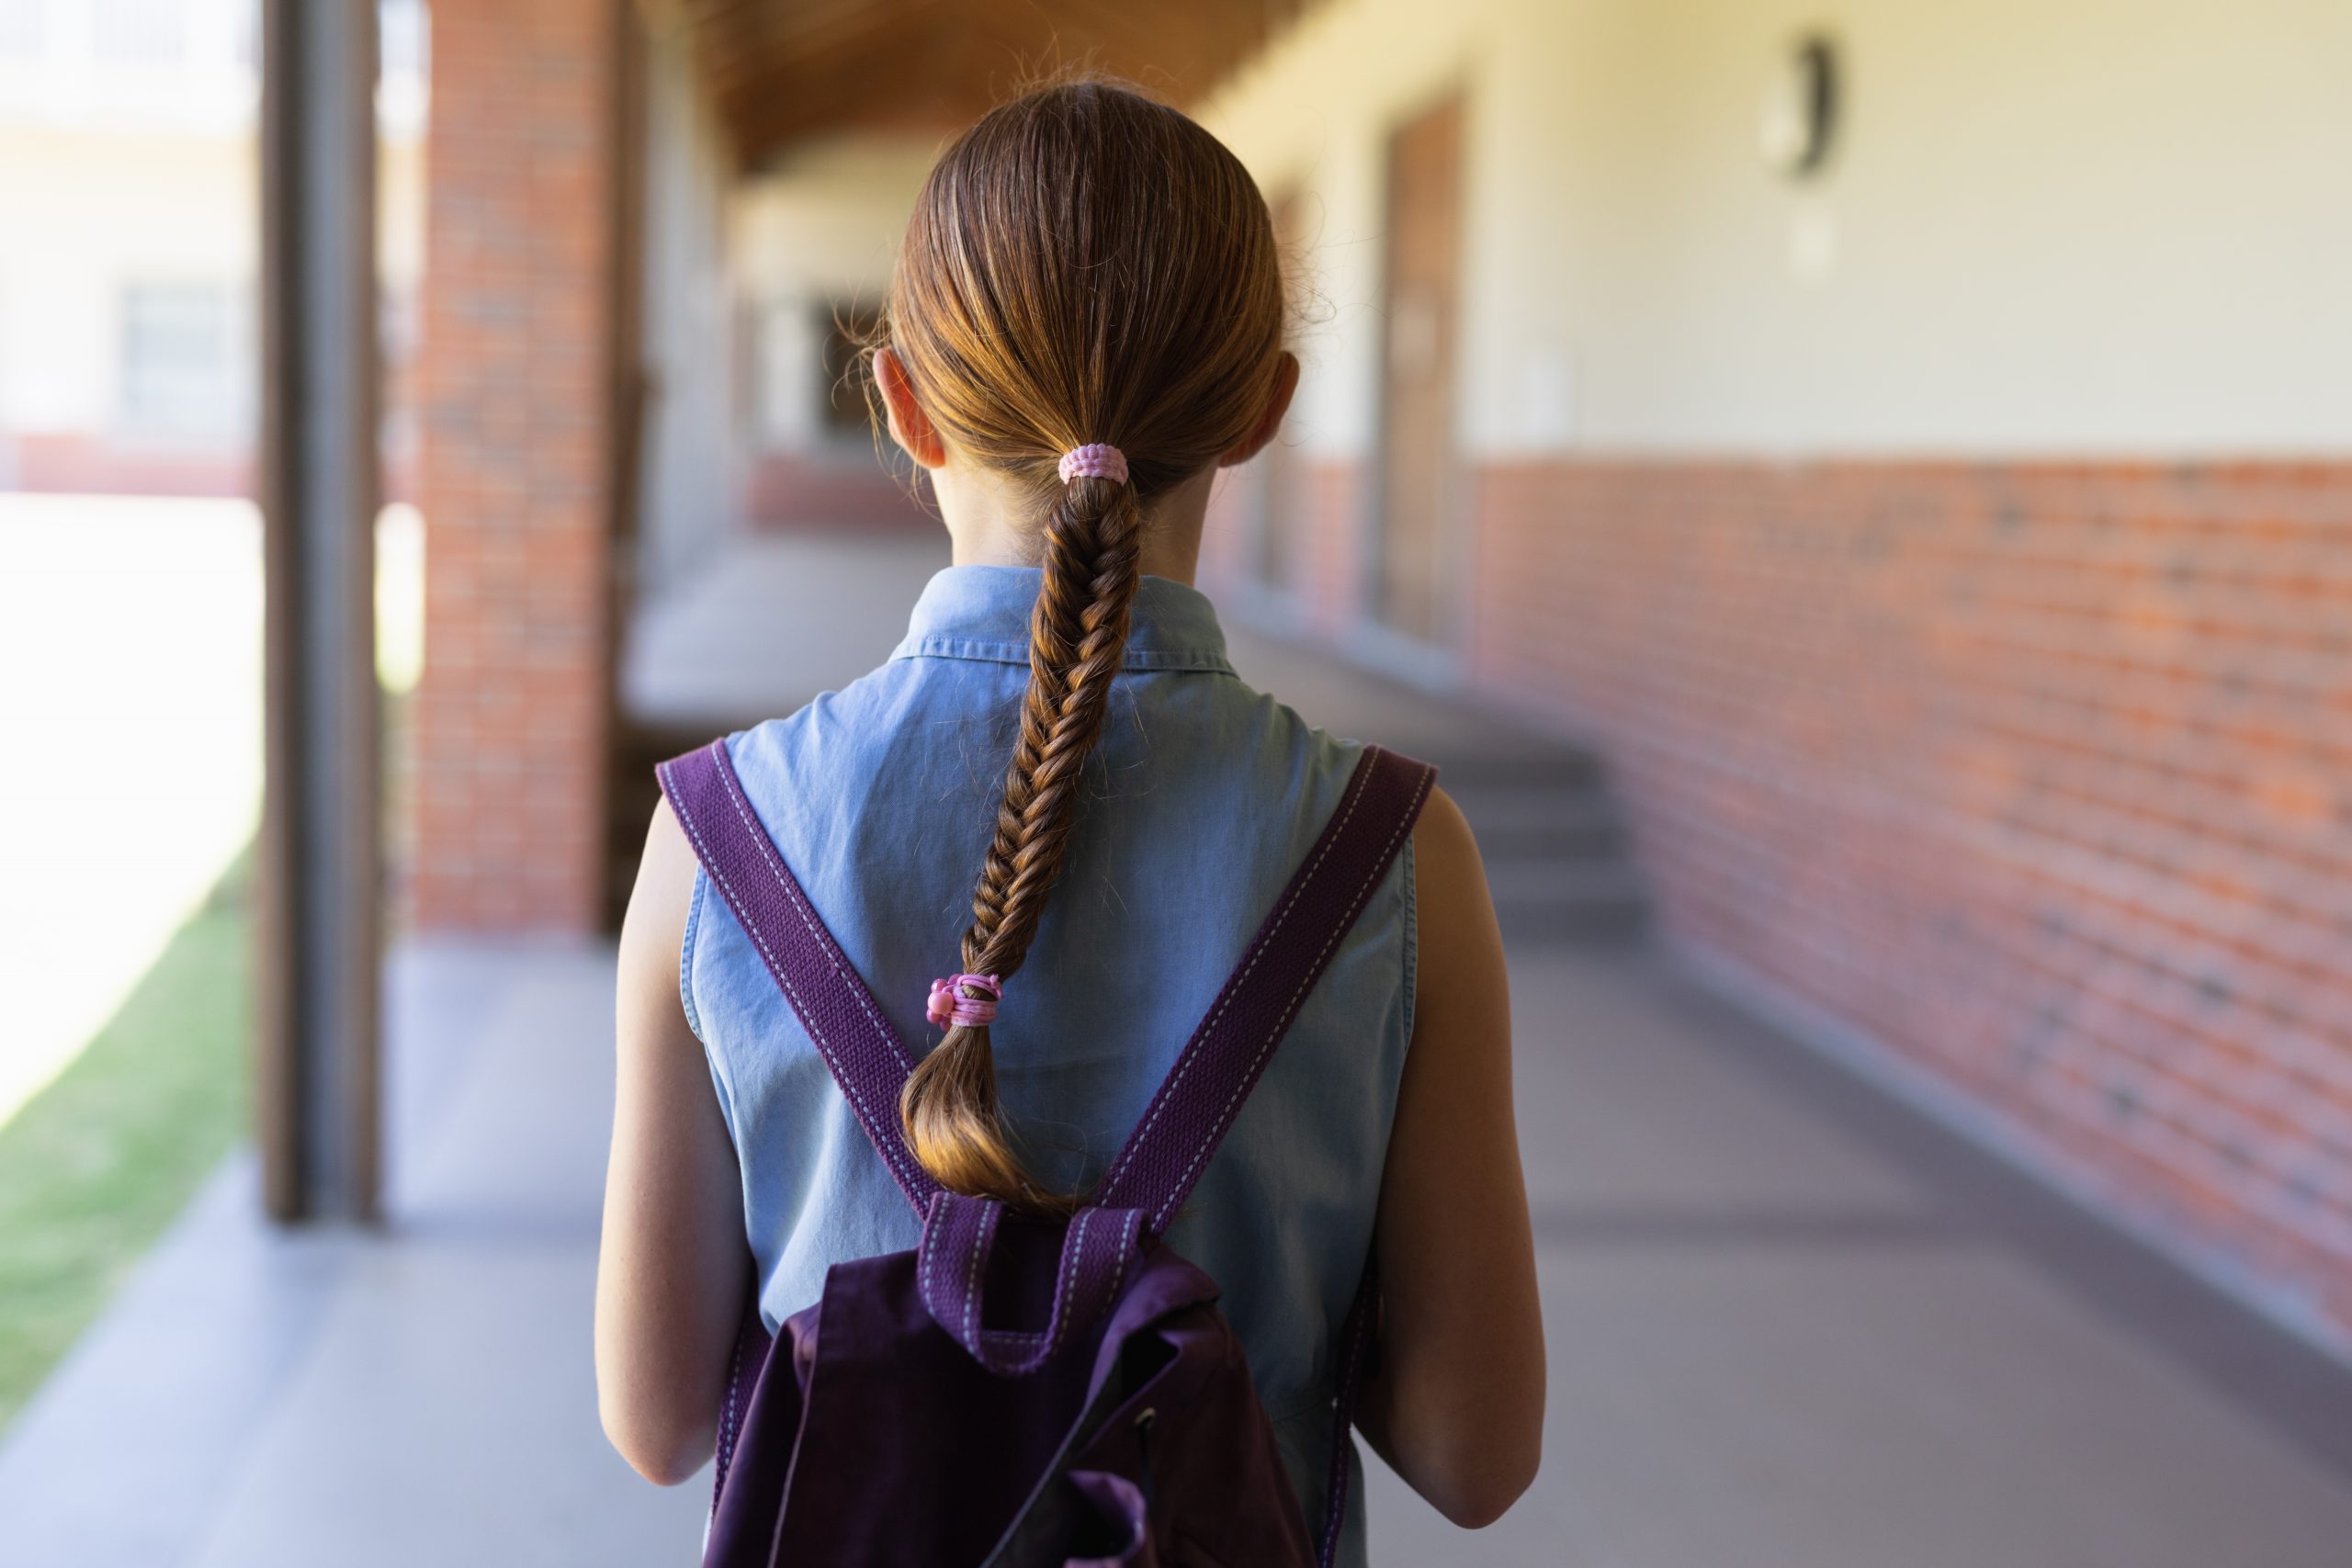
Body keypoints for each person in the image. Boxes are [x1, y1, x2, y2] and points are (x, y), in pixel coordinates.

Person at [594, 78, 1544, 1557]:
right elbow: (1475, 1453)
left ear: (902, 402)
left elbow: (654, 1420)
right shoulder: (1401, 858)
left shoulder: (715, 841)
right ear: (1260, 410)